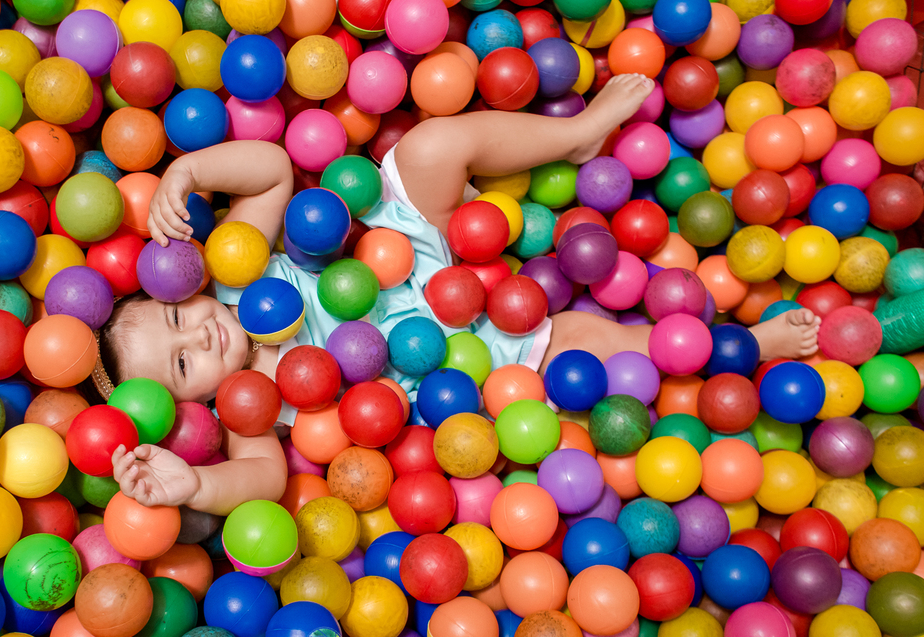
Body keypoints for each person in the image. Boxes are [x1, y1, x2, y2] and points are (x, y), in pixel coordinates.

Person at [99, 74, 821, 515]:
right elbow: (258, 480)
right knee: (608, 356)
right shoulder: (252, 401)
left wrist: (189, 171)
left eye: (174, 319)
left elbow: (269, 170)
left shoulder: (234, 264)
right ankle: (750, 345)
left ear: (180, 286)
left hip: (411, 244)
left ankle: (573, 137)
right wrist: (194, 488)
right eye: (185, 364)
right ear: (191, 405)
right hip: (470, 352)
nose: (199, 337)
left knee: (431, 146)